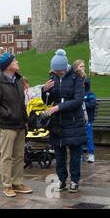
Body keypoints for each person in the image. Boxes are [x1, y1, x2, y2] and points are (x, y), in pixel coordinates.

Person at [0, 53, 32, 198]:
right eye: (14, 61)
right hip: (7, 125)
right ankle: (7, 185)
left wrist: (24, 119)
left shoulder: (18, 80)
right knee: (7, 156)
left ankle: (17, 182)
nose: (17, 62)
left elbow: (21, 102)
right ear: (7, 66)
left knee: (19, 155)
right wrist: (8, 114)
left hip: (20, 124)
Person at [42, 50, 86, 193]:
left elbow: (78, 101)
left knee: (74, 154)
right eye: (55, 71)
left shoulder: (76, 77)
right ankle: (62, 180)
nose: (57, 73)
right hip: (57, 123)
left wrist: (58, 107)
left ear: (65, 67)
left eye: (60, 71)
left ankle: (74, 181)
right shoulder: (52, 76)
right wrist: (45, 90)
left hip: (73, 121)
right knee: (59, 154)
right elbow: (47, 100)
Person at [73, 59, 96, 164]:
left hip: (87, 118)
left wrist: (83, 104)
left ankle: (91, 154)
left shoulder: (89, 91)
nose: (83, 68)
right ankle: (80, 154)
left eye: (84, 66)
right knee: (78, 138)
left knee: (89, 137)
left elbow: (92, 103)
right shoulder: (74, 81)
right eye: (81, 66)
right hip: (78, 118)